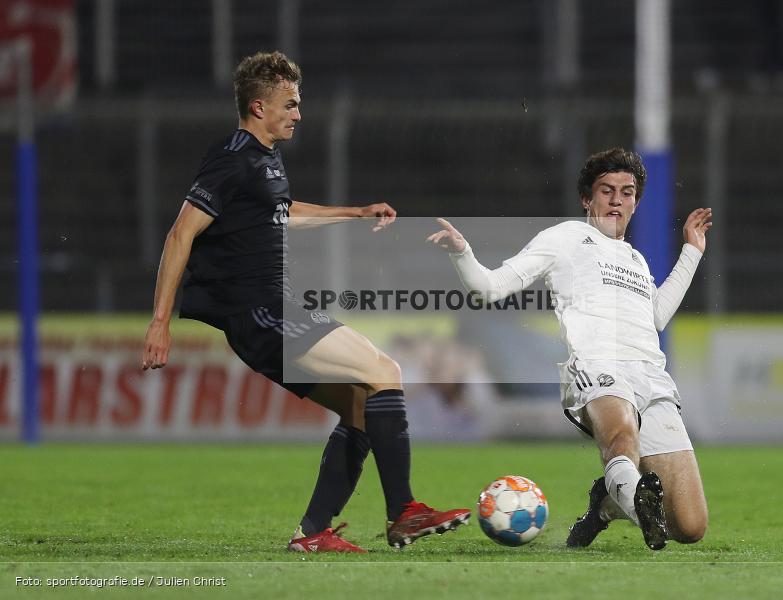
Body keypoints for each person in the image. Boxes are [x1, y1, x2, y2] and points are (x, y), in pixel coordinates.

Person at [140, 51, 470, 553]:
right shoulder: (232, 156)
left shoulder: (265, 158)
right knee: (385, 371)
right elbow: (180, 234)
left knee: (360, 406)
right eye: (290, 104)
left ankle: (313, 532)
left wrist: (355, 212)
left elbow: (281, 210)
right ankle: (404, 512)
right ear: (258, 107)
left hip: (268, 311)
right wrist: (159, 321)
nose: (299, 114)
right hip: (260, 311)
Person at [427, 148, 711, 550]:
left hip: (651, 376)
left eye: (627, 192)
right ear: (586, 199)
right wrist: (462, 253)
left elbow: (657, 317)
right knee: (620, 437)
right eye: (606, 190)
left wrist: (692, 251)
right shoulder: (564, 238)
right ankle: (636, 505)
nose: (617, 200)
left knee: (690, 526)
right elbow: (490, 287)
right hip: (597, 367)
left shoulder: (635, 259)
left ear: (636, 202)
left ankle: (607, 505)